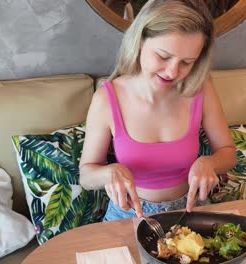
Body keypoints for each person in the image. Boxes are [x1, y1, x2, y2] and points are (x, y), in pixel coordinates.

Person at [79, 0, 237, 221]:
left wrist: (209, 162)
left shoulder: (201, 89)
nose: (172, 72)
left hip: (192, 211)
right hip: (130, 215)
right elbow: (86, 176)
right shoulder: (107, 98)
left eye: (187, 62)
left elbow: (229, 153)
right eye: (163, 56)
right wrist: (109, 172)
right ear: (140, 41)